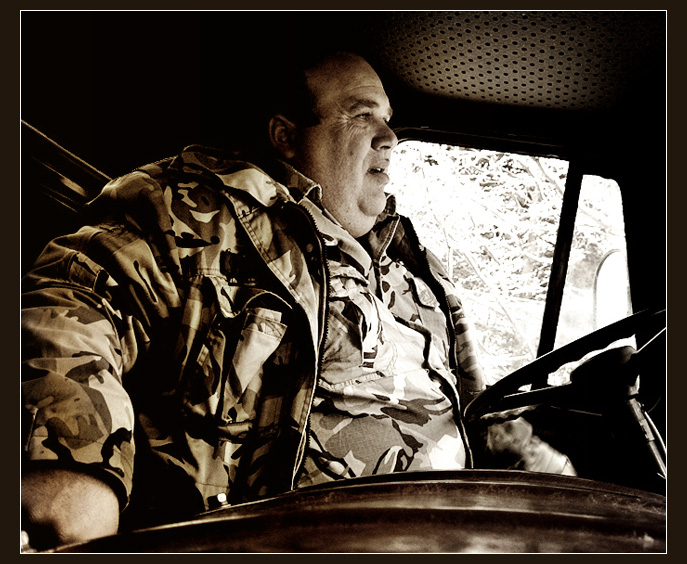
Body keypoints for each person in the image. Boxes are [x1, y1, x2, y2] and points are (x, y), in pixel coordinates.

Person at [21, 50, 569, 551]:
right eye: (362, 116)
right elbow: (71, 303)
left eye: (388, 119)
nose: (390, 137)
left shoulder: (420, 269)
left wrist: (553, 482)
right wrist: (72, 466)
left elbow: (482, 416)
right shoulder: (194, 211)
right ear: (285, 136)